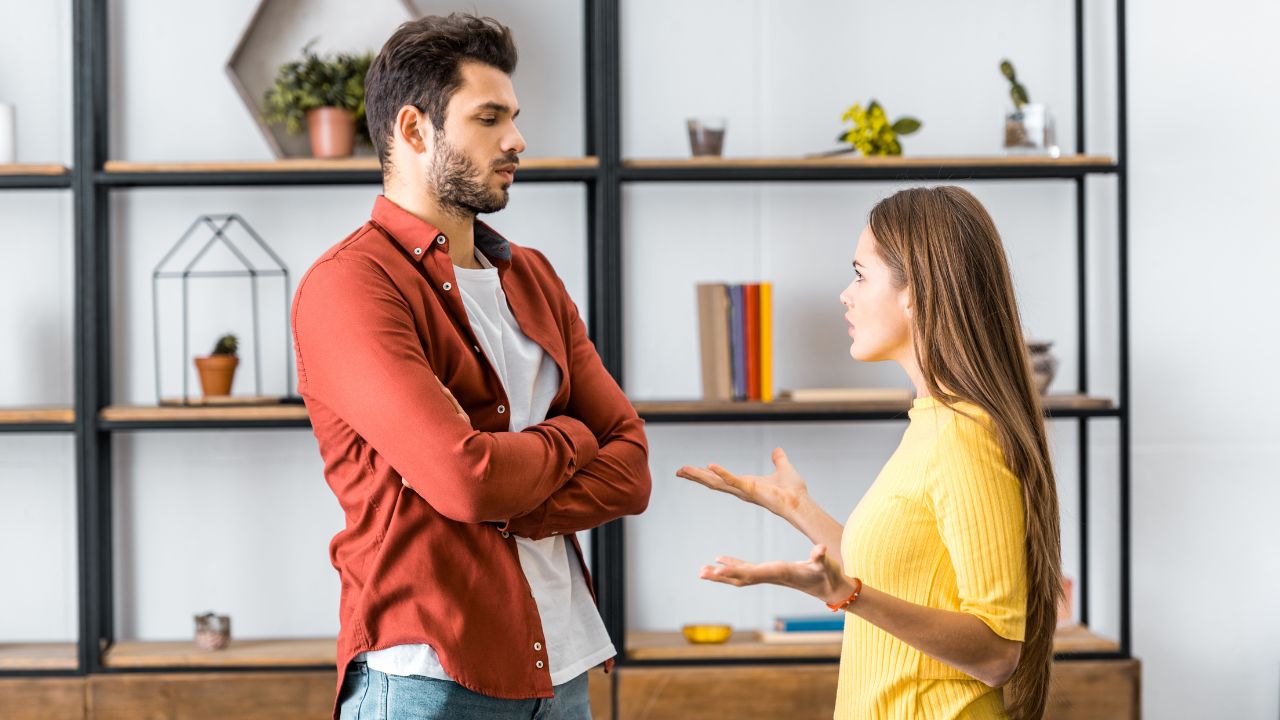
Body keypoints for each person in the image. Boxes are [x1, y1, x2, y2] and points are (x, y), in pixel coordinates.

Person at [291, 13, 651, 720]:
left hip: (565, 663)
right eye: (489, 119)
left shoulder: (533, 276)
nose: (516, 140)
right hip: (429, 676)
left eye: (513, 117)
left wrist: (504, 487)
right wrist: (574, 439)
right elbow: (467, 479)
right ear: (415, 130)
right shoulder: (352, 285)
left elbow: (633, 467)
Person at [678, 186, 1061, 720]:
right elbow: (897, 571)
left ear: (917, 292)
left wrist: (846, 595)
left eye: (860, 274)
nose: (845, 294)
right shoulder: (932, 423)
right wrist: (795, 508)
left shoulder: (964, 435)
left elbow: (997, 654)